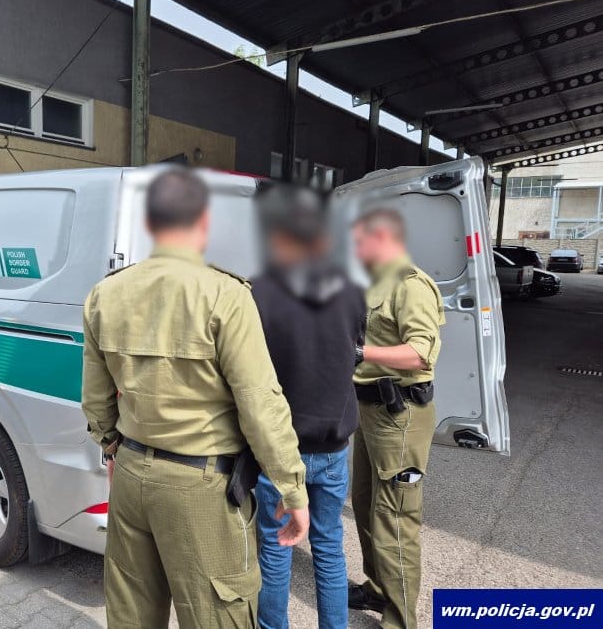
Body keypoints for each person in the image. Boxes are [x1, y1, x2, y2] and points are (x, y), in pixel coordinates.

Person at [82, 167, 310, 628]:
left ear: (150, 223)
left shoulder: (105, 294)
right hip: (201, 489)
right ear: (204, 222)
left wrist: (112, 449)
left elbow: (95, 398)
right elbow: (260, 405)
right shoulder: (225, 295)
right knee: (217, 617)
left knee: (130, 616)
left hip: (131, 476)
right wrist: (292, 487)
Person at [251, 185, 366, 629]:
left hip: (280, 448)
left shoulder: (260, 290)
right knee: (329, 546)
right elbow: (355, 348)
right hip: (334, 445)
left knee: (276, 546)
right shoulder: (352, 287)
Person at [348, 208, 445, 629]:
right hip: (369, 412)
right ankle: (379, 588)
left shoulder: (410, 285)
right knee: (366, 505)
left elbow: (420, 352)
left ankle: (400, 620)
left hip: (399, 415)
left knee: (395, 519)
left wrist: (359, 353)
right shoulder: (376, 281)